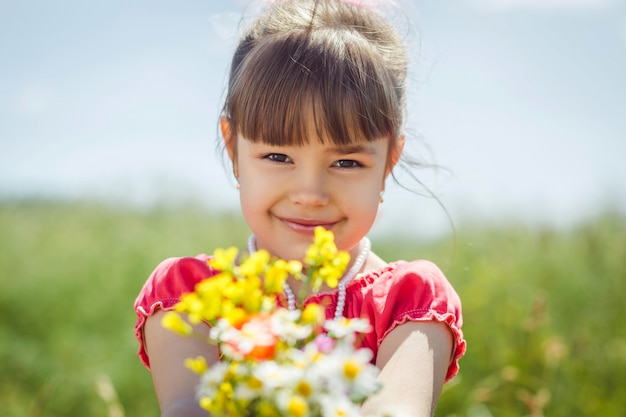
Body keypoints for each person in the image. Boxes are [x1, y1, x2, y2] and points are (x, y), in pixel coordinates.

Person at [134, 0, 466, 416]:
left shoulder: (408, 301)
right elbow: (189, 408)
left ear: (389, 161)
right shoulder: (193, 298)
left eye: (347, 163)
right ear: (233, 148)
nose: (310, 193)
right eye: (277, 156)